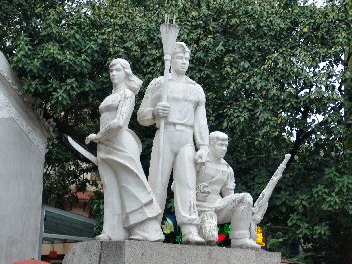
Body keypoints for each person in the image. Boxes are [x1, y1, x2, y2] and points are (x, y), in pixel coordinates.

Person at [137, 42, 209, 244]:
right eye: (180, 58)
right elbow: (142, 116)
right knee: (157, 182)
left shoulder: (196, 89)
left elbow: (200, 122)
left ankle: (189, 229)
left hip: (186, 138)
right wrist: (154, 112)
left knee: (187, 182)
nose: (184, 62)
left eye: (187, 59)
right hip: (165, 134)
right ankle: (151, 224)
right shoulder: (159, 84)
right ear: (171, 60)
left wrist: (203, 146)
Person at [86, 58, 163, 241]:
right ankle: (113, 231)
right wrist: (100, 139)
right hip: (105, 144)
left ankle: (146, 231)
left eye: (117, 70)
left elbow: (119, 123)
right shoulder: (110, 97)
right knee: (110, 188)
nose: (113, 74)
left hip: (120, 143)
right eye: (111, 71)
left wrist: (98, 136)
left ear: (125, 73)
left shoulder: (127, 95)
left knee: (131, 186)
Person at [195, 131, 260, 249]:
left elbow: (229, 197)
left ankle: (240, 239)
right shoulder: (199, 162)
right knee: (210, 239)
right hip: (199, 207)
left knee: (245, 198)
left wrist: (247, 208)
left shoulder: (227, 169)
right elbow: (177, 187)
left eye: (226, 145)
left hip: (219, 205)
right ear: (211, 144)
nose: (224, 149)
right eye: (220, 145)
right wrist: (196, 192)